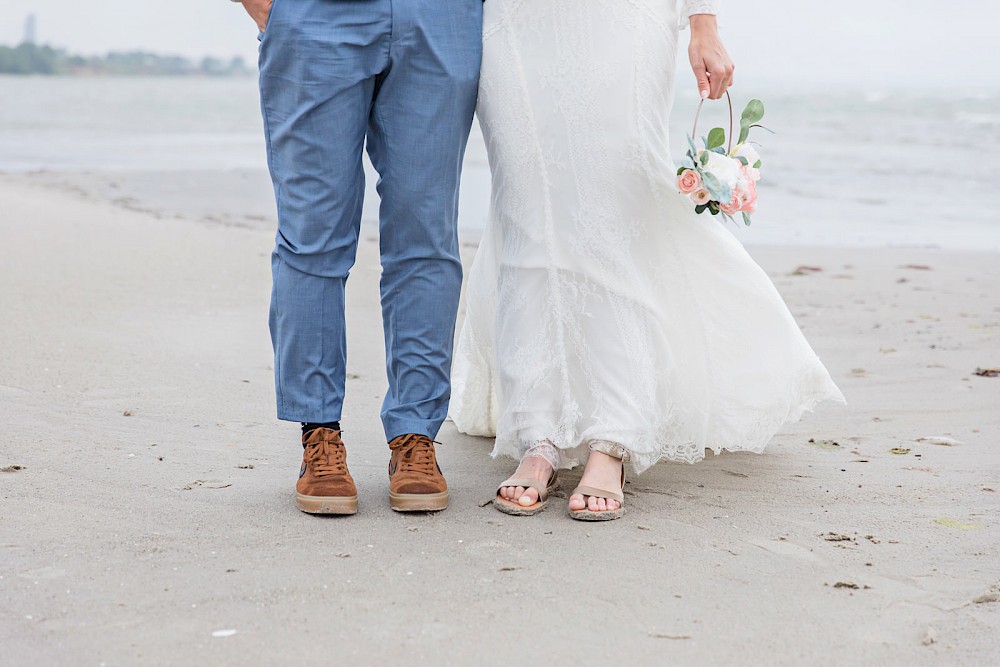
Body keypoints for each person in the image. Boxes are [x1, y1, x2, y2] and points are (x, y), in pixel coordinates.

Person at [451, 0, 846, 520]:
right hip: (515, 20)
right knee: (529, 210)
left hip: (624, 19)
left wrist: (703, 21)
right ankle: (537, 434)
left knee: (617, 209)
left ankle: (613, 437)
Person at [235, 0, 482, 514]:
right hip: (314, 16)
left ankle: (416, 436)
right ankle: (318, 435)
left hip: (440, 16)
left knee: (427, 237)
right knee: (312, 237)